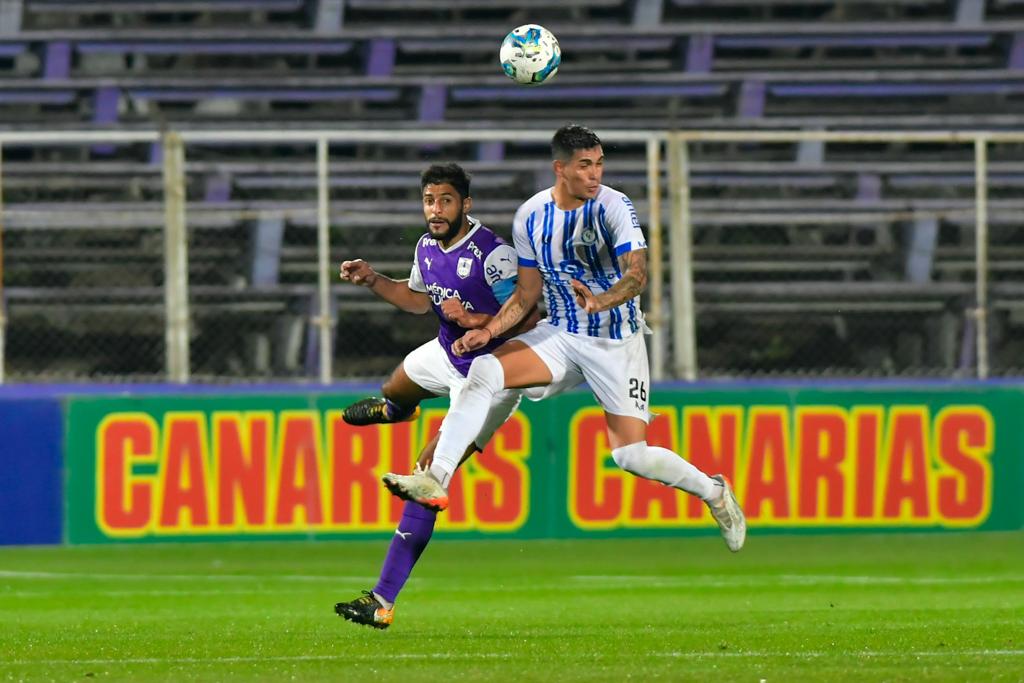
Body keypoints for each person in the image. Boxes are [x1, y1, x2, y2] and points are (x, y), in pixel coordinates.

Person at [382, 124, 746, 553]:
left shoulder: (614, 206)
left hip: (615, 343)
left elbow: (637, 274)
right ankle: (435, 479)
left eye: (599, 165)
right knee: (485, 370)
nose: (595, 175)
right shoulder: (531, 216)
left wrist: (602, 301)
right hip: (561, 334)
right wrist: (489, 330)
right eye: (584, 166)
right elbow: (526, 295)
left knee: (631, 456)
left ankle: (715, 492)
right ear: (560, 169)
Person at [333, 162, 565, 630]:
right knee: (394, 385)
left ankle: (382, 601)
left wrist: (476, 319)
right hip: (446, 352)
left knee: (425, 480)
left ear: (465, 204)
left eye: (445, 200)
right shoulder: (425, 247)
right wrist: (374, 279)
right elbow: (420, 300)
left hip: (490, 377)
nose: (435, 210)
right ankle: (398, 410)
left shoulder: (492, 254)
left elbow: (528, 318)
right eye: (428, 200)